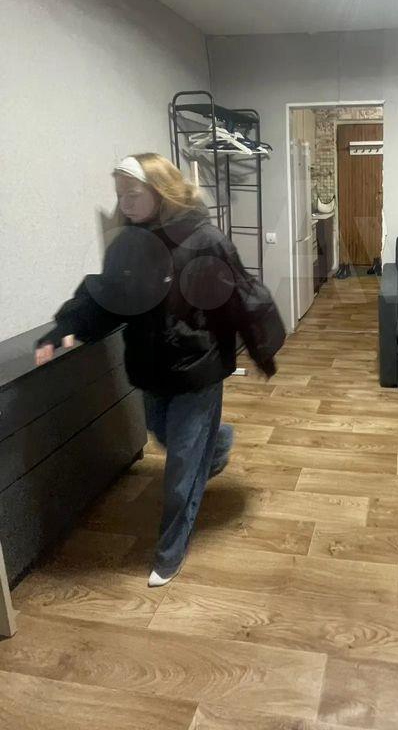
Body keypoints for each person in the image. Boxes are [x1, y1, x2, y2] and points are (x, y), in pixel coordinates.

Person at [35, 153, 285, 587]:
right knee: (165, 435)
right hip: (150, 367)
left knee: (182, 469)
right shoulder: (128, 244)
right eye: (120, 196)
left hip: (198, 366)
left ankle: (170, 551)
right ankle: (218, 442)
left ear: (160, 190)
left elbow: (240, 296)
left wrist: (262, 349)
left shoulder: (205, 239)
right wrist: (65, 328)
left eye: (133, 194)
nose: (125, 203)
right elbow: (106, 295)